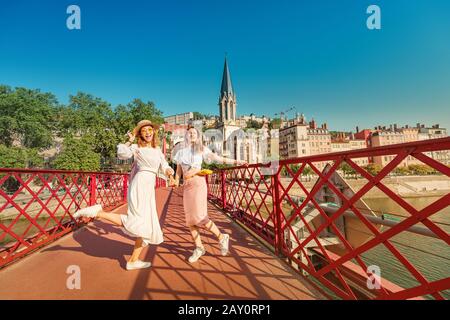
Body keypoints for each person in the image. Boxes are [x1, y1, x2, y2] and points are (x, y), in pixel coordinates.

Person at [73, 120, 174, 270]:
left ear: (153, 132)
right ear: (140, 133)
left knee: (145, 224)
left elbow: (164, 165)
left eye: (150, 130)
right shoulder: (136, 147)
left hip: (149, 187)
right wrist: (129, 140)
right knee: (137, 221)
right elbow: (121, 153)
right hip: (140, 184)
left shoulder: (157, 149)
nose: (148, 132)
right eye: (144, 130)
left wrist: (169, 173)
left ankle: (133, 261)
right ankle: (98, 213)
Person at [172, 125, 247, 263]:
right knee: (190, 220)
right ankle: (199, 247)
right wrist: (176, 181)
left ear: (198, 136)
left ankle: (221, 237)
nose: (192, 135)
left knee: (200, 217)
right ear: (186, 136)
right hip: (187, 186)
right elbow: (178, 171)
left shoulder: (201, 149)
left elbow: (219, 159)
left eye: (194, 133)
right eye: (189, 133)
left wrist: (237, 161)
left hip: (198, 184)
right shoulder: (180, 152)